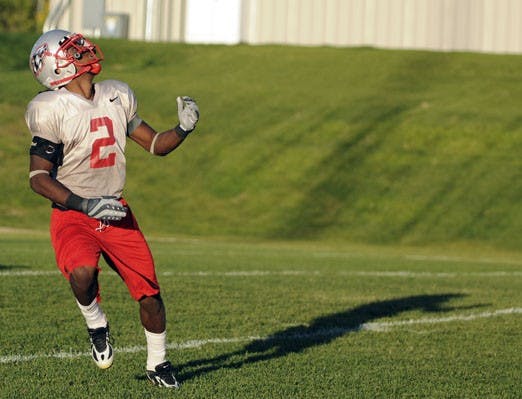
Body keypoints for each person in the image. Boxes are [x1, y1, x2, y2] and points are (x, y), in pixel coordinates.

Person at [25, 29, 199, 389]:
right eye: (74, 49)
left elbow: (154, 145)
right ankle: (96, 322)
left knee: (150, 293)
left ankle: (158, 363)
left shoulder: (117, 94)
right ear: (56, 68)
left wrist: (182, 129)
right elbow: (39, 178)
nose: (86, 50)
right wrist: (85, 203)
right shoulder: (50, 108)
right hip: (74, 213)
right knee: (83, 273)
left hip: (116, 212)